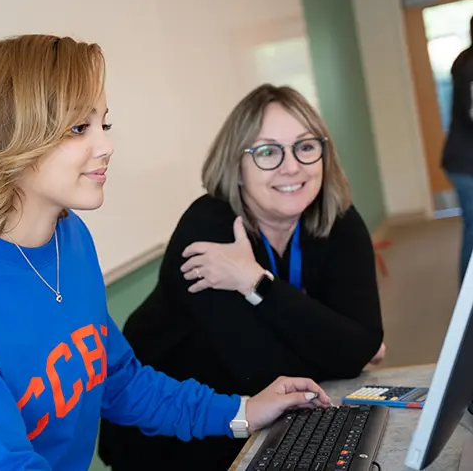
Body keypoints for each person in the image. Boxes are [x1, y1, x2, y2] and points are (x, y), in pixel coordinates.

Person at [0, 36, 332, 471]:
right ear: (9, 137)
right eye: (79, 127)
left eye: (103, 123)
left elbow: (119, 382)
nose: (106, 145)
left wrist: (243, 411)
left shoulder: (69, 238)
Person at [98, 84, 385, 471]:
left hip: (259, 425)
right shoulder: (208, 227)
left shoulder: (337, 219)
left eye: (305, 146)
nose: (291, 166)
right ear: (237, 166)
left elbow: (360, 345)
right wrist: (336, 341)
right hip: (171, 433)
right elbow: (262, 371)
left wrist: (256, 283)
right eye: (267, 152)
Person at [442, 15, 473, 284]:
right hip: (466, 163)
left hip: (460, 160)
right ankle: (469, 301)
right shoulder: (470, 65)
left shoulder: (464, 60)